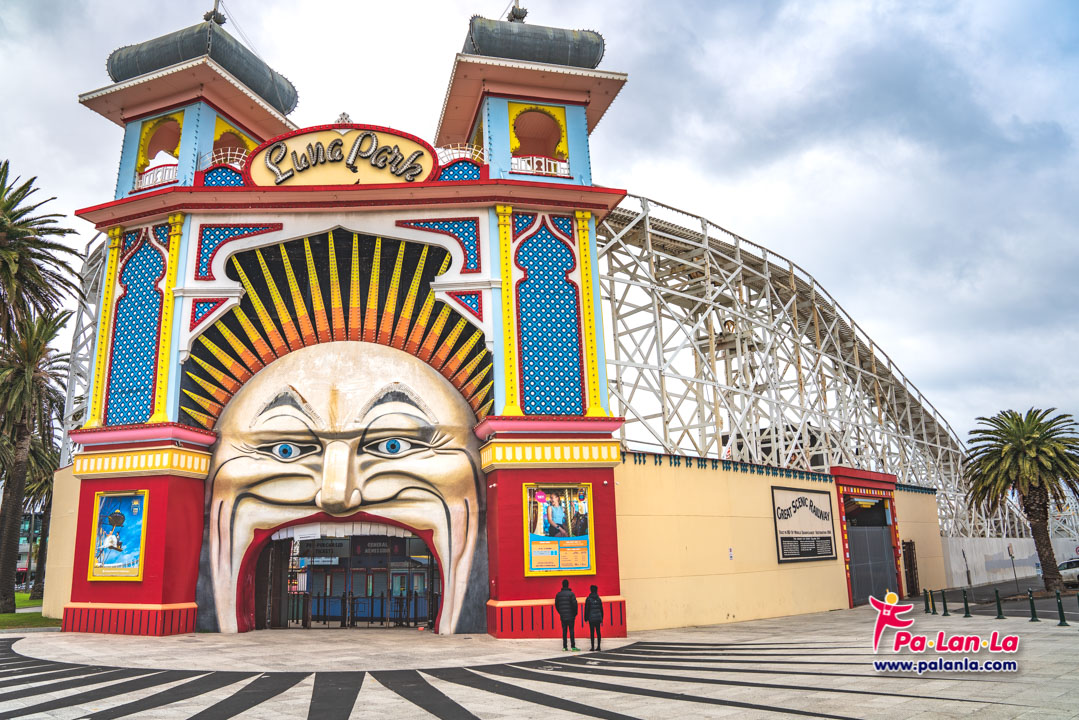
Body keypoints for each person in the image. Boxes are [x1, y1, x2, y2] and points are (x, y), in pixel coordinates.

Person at [554, 579, 579, 651]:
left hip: (563, 615)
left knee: (564, 631)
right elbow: (575, 604)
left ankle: (564, 647)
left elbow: (556, 605)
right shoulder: (571, 594)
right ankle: (573, 646)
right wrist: (575, 613)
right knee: (571, 630)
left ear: (562, 585)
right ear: (568, 585)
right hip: (571, 615)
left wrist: (561, 612)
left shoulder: (558, 595)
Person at [584, 584, 603, 651]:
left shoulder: (588, 599)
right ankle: (599, 646)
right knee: (598, 632)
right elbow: (601, 609)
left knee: (592, 632)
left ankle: (592, 647)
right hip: (598, 618)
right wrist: (601, 619)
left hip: (591, 618)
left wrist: (585, 618)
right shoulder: (599, 599)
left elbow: (586, 609)